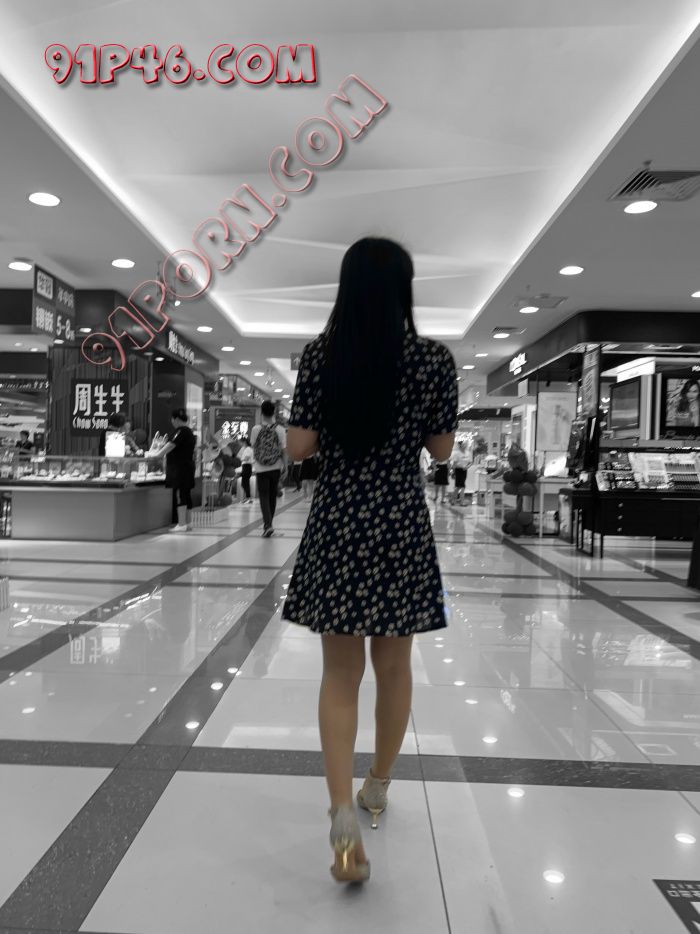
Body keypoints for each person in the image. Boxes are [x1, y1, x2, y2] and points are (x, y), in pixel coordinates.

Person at [282, 237, 457, 883]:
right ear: (402, 290)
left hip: (339, 522)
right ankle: (377, 785)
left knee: (340, 673)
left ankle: (340, 817)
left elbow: (299, 446)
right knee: (394, 666)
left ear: (346, 288)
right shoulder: (433, 360)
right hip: (399, 525)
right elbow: (442, 451)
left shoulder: (322, 355)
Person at [146, 408, 196, 532]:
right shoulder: (189, 432)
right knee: (186, 494)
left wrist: (157, 455)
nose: (172, 421)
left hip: (180, 468)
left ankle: (181, 524)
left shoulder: (181, 431)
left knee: (180, 494)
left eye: (172, 419)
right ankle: (188, 523)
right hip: (187, 467)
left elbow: (171, 445)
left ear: (176, 419)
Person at [250, 400, 287, 536]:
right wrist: (286, 466)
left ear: (262, 412)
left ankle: (268, 525)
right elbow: (284, 450)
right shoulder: (280, 430)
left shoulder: (256, 429)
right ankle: (269, 524)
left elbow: (254, 447)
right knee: (272, 496)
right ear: (274, 413)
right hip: (275, 466)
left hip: (260, 467)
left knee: (264, 496)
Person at [451, 440, 469, 506]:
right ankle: (461, 501)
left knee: (459, 487)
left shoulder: (467, 453)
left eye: (465, 444)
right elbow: (454, 464)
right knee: (461, 486)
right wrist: (453, 473)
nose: (465, 445)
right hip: (458, 470)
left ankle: (453, 500)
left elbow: (470, 462)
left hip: (464, 471)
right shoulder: (456, 453)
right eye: (464, 444)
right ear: (460, 445)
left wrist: (467, 466)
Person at [238, 436, 254, 503]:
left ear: (244, 442)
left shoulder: (248, 449)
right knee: (244, 483)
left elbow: (246, 458)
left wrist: (240, 460)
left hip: (247, 466)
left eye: (240, 442)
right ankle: (247, 498)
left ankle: (248, 498)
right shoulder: (246, 449)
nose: (240, 444)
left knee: (245, 483)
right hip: (246, 466)